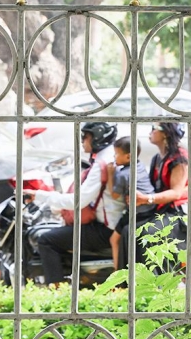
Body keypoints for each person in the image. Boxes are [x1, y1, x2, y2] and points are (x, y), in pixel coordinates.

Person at [24, 122, 121, 287]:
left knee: (46, 240)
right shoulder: (109, 156)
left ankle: (56, 291)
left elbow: (77, 201)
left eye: (86, 137)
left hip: (105, 229)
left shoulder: (102, 163)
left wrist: (40, 195)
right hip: (112, 224)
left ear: (98, 137)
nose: (83, 141)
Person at [120, 122, 191, 266]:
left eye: (154, 129)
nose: (150, 132)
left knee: (147, 235)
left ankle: (157, 284)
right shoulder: (157, 158)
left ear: (166, 134)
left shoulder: (180, 159)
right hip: (163, 210)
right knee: (127, 230)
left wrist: (146, 199)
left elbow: (176, 193)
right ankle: (128, 283)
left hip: (179, 213)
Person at [107, 136, 155, 270]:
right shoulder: (139, 165)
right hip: (149, 210)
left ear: (128, 157)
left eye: (116, 154)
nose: (114, 157)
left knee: (114, 239)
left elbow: (114, 195)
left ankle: (117, 276)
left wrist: (110, 174)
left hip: (137, 213)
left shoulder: (124, 174)